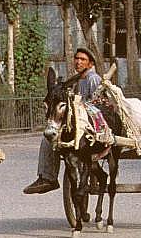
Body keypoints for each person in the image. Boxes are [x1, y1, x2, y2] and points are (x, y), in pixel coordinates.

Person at [23, 48, 102, 194]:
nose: (78, 62)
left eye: (83, 59)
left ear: (90, 64)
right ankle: (47, 177)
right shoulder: (75, 80)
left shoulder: (93, 79)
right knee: (49, 137)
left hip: (89, 124)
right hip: (75, 121)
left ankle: (50, 177)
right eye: (77, 58)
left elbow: (97, 104)